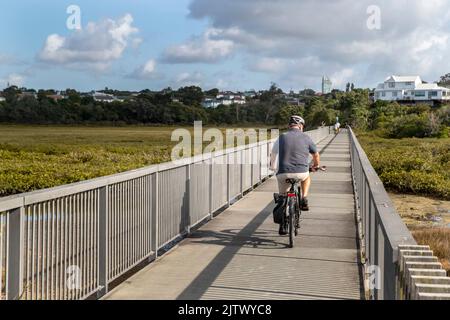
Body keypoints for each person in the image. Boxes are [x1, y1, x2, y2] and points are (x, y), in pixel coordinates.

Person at [270, 115, 321, 235]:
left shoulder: (282, 137)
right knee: (306, 177)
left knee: (283, 197)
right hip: (301, 172)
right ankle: (304, 197)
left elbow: (273, 153)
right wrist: (316, 166)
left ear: (289, 126)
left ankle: (283, 225)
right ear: (301, 126)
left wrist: (272, 167)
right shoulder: (306, 137)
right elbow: (316, 155)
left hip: (283, 173)